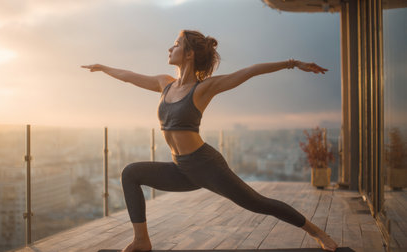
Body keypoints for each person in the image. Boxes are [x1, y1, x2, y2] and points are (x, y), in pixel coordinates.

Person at [82, 30, 338, 252]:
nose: (170, 48)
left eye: (176, 44)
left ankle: (317, 232)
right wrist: (104, 68)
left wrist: (293, 63)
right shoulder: (165, 84)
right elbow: (129, 76)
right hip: (181, 168)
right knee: (131, 174)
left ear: (190, 53)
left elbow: (249, 72)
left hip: (206, 165)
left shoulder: (203, 88)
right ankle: (141, 241)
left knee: (257, 203)